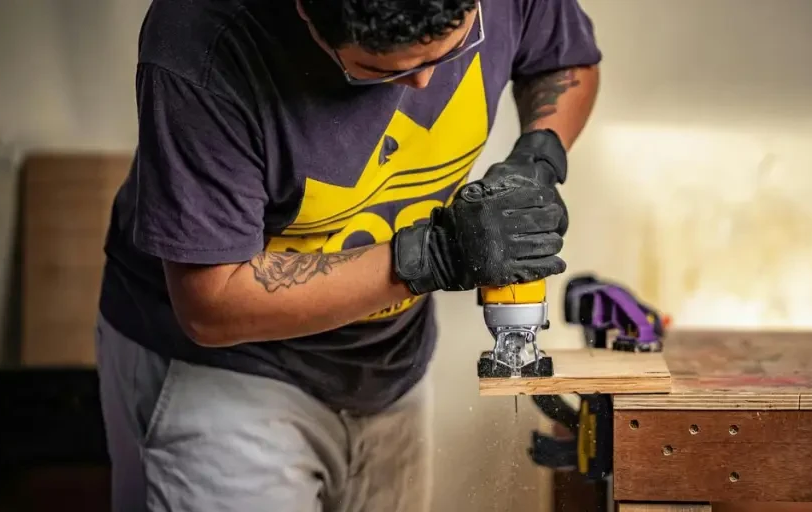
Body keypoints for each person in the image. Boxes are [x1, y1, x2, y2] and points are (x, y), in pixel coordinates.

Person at [95, 0, 601, 510]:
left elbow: (563, 58)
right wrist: (434, 255)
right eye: (379, 70)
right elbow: (213, 302)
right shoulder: (203, 39)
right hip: (230, 373)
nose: (424, 85)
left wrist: (538, 155)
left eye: (451, 52)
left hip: (390, 363)